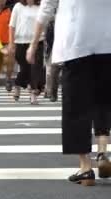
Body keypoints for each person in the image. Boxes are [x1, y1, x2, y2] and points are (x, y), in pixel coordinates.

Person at [27, 0, 111, 185]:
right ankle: (103, 152)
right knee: (103, 100)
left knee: (76, 106)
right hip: (107, 40)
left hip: (76, 42)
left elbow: (47, 8)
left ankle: (86, 168)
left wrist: (33, 44)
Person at [9, 0, 44, 105]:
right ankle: (18, 84)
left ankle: (33, 93)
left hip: (38, 41)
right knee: (25, 68)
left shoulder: (40, 7)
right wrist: (11, 43)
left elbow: (44, 23)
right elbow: (12, 26)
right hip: (20, 42)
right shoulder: (18, 7)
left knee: (35, 68)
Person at [43, 18, 59, 102]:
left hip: (63, 48)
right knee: (50, 71)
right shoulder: (50, 23)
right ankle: (49, 91)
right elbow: (47, 38)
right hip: (52, 48)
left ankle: (51, 92)